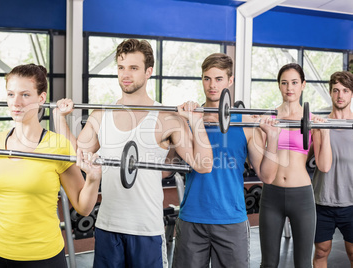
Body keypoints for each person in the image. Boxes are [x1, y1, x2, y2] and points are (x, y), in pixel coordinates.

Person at [53, 39, 213, 268]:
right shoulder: (101, 114)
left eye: (133, 68)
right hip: (108, 227)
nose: (125, 75)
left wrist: (196, 122)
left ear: (149, 71)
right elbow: (78, 154)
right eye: (121, 67)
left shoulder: (167, 118)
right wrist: (60, 118)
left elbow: (204, 165)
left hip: (147, 230)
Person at [0, 64, 102, 268]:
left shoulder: (57, 145)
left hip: (43, 257)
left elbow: (83, 207)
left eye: (25, 95)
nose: (16, 103)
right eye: (11, 94)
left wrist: (93, 179)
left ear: (41, 98)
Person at [171, 53, 280, 268]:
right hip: (192, 218)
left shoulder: (246, 122)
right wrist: (175, 129)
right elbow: (168, 169)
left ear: (230, 81)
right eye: (207, 78)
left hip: (231, 220)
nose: (212, 85)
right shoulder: (188, 119)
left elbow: (267, 175)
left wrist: (273, 138)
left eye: (219, 79)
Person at [259, 63, 332, 268]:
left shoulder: (311, 121)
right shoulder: (269, 118)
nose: (289, 87)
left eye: (294, 82)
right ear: (279, 86)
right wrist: (261, 128)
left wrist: (323, 134)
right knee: (269, 263)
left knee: (302, 264)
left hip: (301, 196)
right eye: (284, 83)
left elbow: (324, 166)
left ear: (303, 85)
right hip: (271, 195)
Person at [312, 71, 353, 268]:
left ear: (351, 94)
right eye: (336, 90)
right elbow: (321, 165)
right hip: (323, 202)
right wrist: (324, 131)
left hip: (352, 203)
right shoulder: (320, 125)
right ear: (330, 92)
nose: (340, 95)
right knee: (321, 251)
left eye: (345, 90)